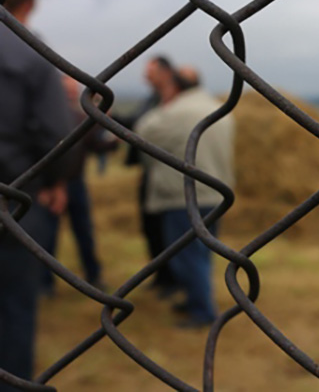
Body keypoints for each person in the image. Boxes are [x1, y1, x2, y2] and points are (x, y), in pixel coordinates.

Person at [0, 0, 72, 386]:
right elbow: (54, 132)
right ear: (27, 6)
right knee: (13, 306)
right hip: (15, 197)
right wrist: (56, 181)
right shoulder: (31, 52)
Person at [135, 65, 233, 328]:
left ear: (174, 86)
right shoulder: (216, 107)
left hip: (183, 195)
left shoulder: (175, 111)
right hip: (215, 193)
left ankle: (202, 311)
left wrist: (165, 102)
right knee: (203, 252)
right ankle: (195, 299)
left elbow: (142, 131)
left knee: (187, 255)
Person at [41, 76, 117, 294]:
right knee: (47, 235)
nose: (71, 94)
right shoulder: (45, 118)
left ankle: (93, 275)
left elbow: (97, 145)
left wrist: (113, 137)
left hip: (76, 183)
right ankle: (45, 282)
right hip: (50, 184)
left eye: (74, 91)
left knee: (84, 231)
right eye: (66, 90)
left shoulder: (82, 119)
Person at [115, 56, 177, 297]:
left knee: (166, 227)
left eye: (150, 72)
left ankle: (172, 279)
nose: (146, 77)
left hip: (168, 172)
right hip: (150, 171)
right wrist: (111, 115)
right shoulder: (152, 99)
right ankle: (161, 275)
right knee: (150, 225)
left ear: (165, 72)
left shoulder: (171, 99)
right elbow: (136, 124)